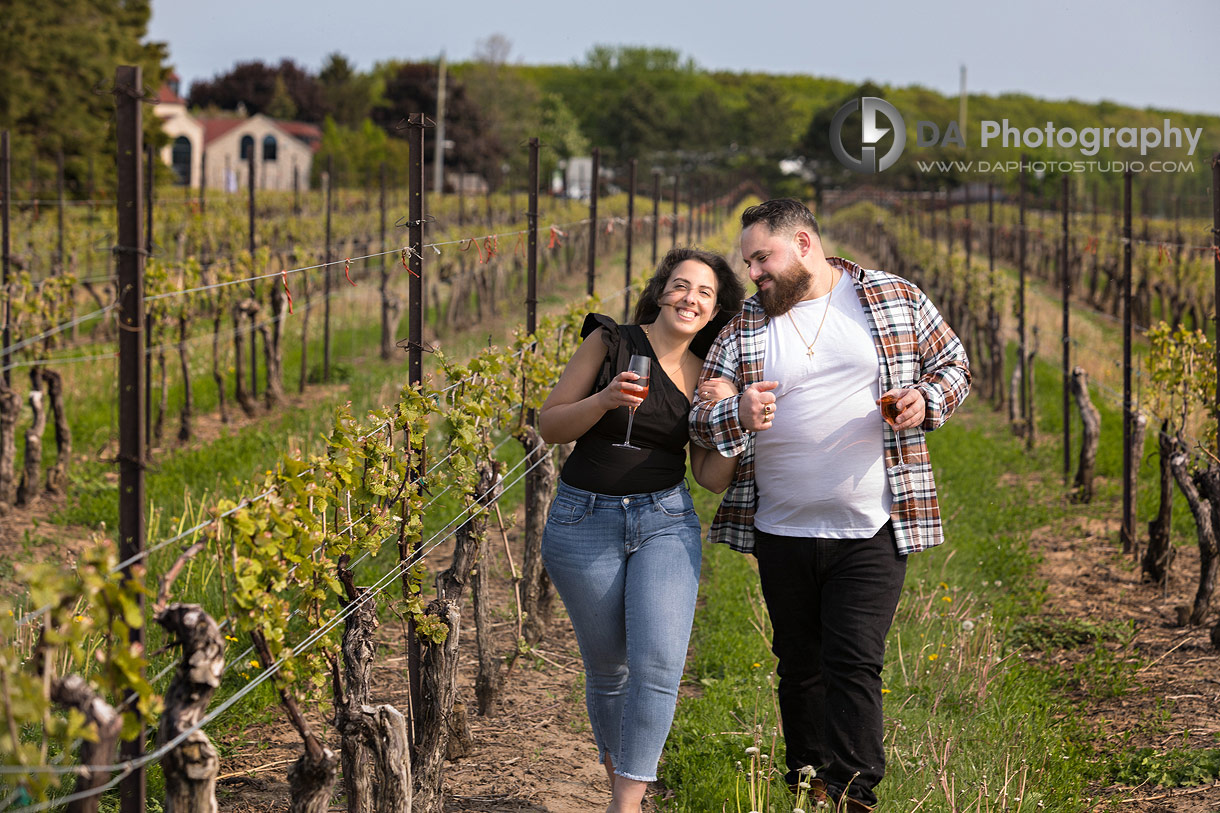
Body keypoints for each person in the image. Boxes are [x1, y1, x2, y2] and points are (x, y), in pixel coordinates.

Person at [690, 199, 970, 812]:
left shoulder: (893, 297)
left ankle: (854, 793)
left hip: (872, 520)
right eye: (748, 262)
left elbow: (954, 365)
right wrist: (732, 411)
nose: (754, 272)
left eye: (763, 258)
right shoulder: (743, 326)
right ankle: (807, 782)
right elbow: (701, 414)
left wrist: (926, 398)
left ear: (805, 243)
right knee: (799, 664)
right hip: (780, 526)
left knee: (854, 661)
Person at [538, 247, 746, 813]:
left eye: (705, 293)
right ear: (661, 292)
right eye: (682, 286)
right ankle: (621, 786)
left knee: (657, 665)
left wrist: (736, 429)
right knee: (609, 670)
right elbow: (549, 424)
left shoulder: (709, 376)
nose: (691, 298)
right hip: (584, 518)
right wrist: (604, 400)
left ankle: (624, 807)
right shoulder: (611, 342)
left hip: (664, 519)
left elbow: (707, 477)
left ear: (714, 312)